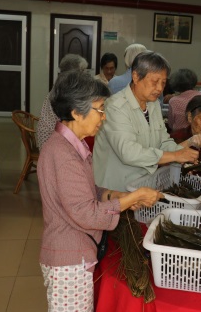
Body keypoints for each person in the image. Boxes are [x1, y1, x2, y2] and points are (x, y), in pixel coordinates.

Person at [38, 70, 164, 311]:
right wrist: (133, 198)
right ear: (76, 112)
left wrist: (113, 196)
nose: (103, 117)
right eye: (100, 109)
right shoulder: (63, 154)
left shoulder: (68, 145)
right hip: (70, 261)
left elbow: (82, 191)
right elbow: (86, 214)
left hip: (72, 255)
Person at [93, 52, 201, 192]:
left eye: (163, 83)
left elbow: (163, 141)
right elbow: (129, 152)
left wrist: (183, 153)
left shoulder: (153, 105)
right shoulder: (115, 107)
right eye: (155, 82)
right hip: (115, 189)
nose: (160, 88)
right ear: (136, 77)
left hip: (143, 185)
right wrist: (175, 155)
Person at [37, 53, 88, 150]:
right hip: (51, 137)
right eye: (82, 70)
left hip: (60, 133)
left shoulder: (65, 84)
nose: (85, 73)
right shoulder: (64, 89)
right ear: (73, 72)